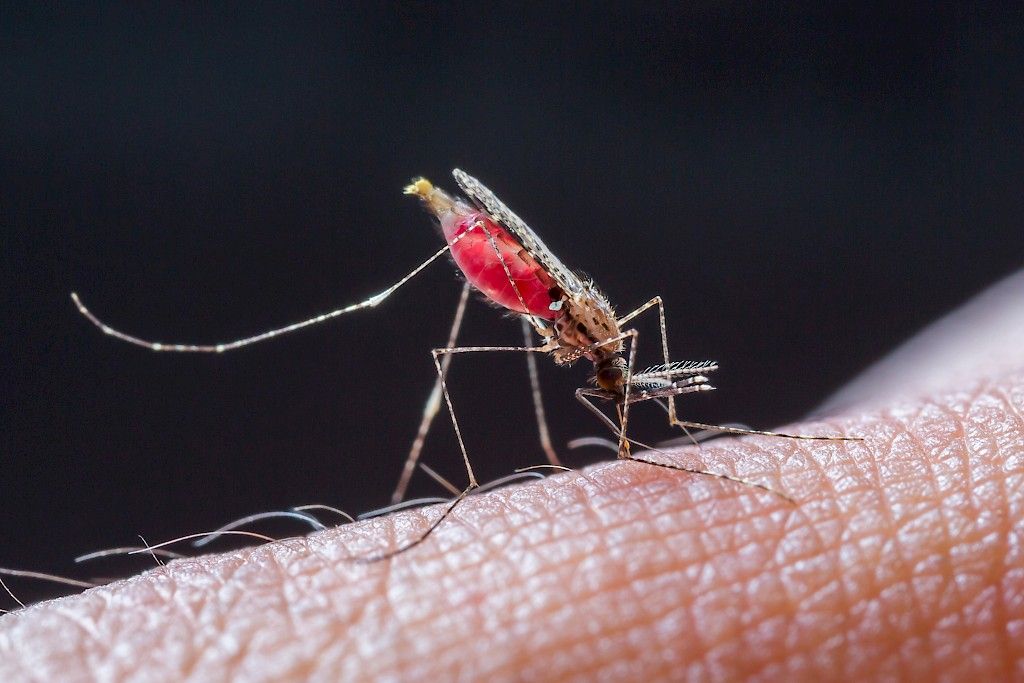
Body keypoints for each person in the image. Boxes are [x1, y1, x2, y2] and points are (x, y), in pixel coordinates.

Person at [1, 271, 1021, 681]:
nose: (621, 384)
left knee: (633, 369)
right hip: (535, 287)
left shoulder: (616, 350)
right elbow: (572, 335)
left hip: (569, 311)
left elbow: (630, 358)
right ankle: (410, 463)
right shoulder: (590, 338)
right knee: (454, 350)